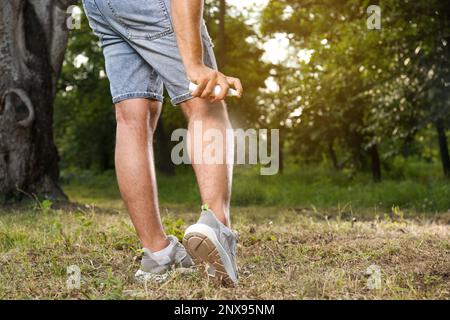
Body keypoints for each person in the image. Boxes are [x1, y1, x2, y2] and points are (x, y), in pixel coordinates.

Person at [82, 0, 243, 286]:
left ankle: (158, 253)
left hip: (101, 7)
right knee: (205, 99)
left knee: (132, 118)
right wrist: (194, 64)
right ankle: (216, 227)